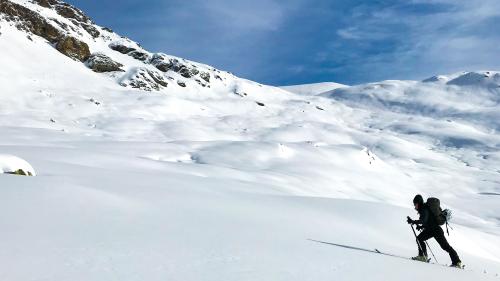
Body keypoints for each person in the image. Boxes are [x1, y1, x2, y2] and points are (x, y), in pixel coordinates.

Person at [407, 194, 462, 268]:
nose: (415, 206)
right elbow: (428, 221)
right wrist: (421, 226)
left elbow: (424, 220)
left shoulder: (424, 209)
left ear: (419, 203)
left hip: (436, 230)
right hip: (432, 230)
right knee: (419, 238)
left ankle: (457, 262)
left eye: (415, 204)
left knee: (445, 246)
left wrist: (413, 222)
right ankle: (422, 256)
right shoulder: (424, 209)